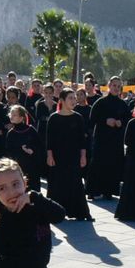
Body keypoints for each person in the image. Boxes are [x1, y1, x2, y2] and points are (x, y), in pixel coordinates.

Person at [44, 88, 92, 221]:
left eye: (74, 98)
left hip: (74, 157)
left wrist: (83, 156)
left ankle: (80, 212)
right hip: (58, 157)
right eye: (70, 98)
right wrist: (49, 156)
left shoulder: (78, 117)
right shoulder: (54, 118)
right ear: (62, 100)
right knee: (57, 184)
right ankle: (55, 212)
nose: (73, 100)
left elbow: (82, 140)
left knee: (76, 184)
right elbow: (50, 140)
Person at [86, 77, 130, 198]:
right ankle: (93, 191)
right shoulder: (100, 102)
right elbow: (92, 119)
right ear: (109, 86)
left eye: (118, 86)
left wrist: (121, 122)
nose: (116, 88)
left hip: (116, 140)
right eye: (114, 85)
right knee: (98, 163)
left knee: (113, 164)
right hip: (101, 139)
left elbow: (128, 119)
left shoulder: (123, 104)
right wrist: (105, 120)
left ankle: (109, 191)